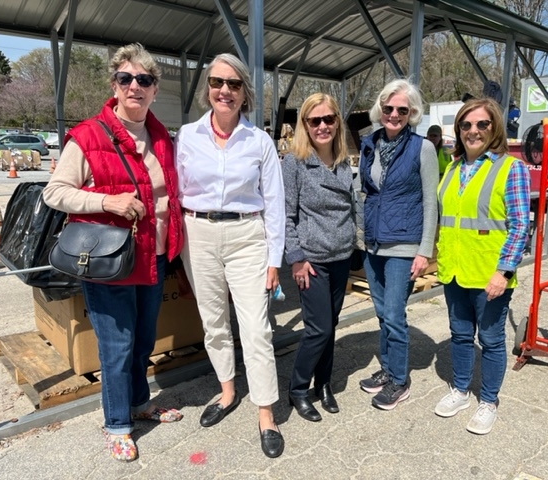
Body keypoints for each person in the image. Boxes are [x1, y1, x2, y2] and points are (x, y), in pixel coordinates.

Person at [43, 43, 184, 462]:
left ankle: (138, 404)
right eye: (126, 78)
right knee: (116, 346)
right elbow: (55, 192)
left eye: (144, 79)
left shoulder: (161, 137)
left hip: (152, 255)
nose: (134, 86)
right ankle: (117, 423)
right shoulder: (88, 136)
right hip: (110, 260)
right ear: (114, 85)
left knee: (143, 340)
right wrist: (108, 201)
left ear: (155, 88)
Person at [174, 53, 285, 458]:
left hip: (246, 235)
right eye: (218, 82)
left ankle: (266, 412)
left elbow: (274, 202)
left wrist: (274, 259)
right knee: (214, 322)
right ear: (208, 88)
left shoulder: (259, 142)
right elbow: (176, 190)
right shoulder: (187, 136)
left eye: (234, 84)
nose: (225, 90)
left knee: (256, 329)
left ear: (244, 93)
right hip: (198, 233)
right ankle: (227, 392)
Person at [434, 97, 530, 435]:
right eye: (466, 125)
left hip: (490, 274)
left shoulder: (510, 168)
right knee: (460, 335)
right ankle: (461, 390)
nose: (473, 131)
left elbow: (520, 225)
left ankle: (488, 401)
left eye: (482, 124)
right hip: (455, 270)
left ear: (494, 128)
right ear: (459, 130)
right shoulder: (452, 168)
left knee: (490, 340)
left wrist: (503, 272)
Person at [357, 79, 439, 410]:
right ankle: (388, 369)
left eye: (402, 110)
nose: (394, 114)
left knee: (393, 314)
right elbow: (365, 192)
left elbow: (430, 202)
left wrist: (424, 250)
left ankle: (399, 380)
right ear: (380, 108)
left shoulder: (423, 148)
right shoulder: (370, 144)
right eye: (388, 108)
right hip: (373, 244)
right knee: (381, 313)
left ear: (412, 113)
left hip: (403, 246)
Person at [282, 93, 356, 422]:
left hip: (341, 255)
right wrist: (296, 257)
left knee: (331, 325)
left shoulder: (343, 161)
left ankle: (323, 383)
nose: (323, 126)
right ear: (305, 125)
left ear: (337, 122)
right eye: (315, 120)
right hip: (311, 260)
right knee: (318, 329)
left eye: (329, 119)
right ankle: (298, 388)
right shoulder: (295, 163)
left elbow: (351, 206)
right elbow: (286, 215)